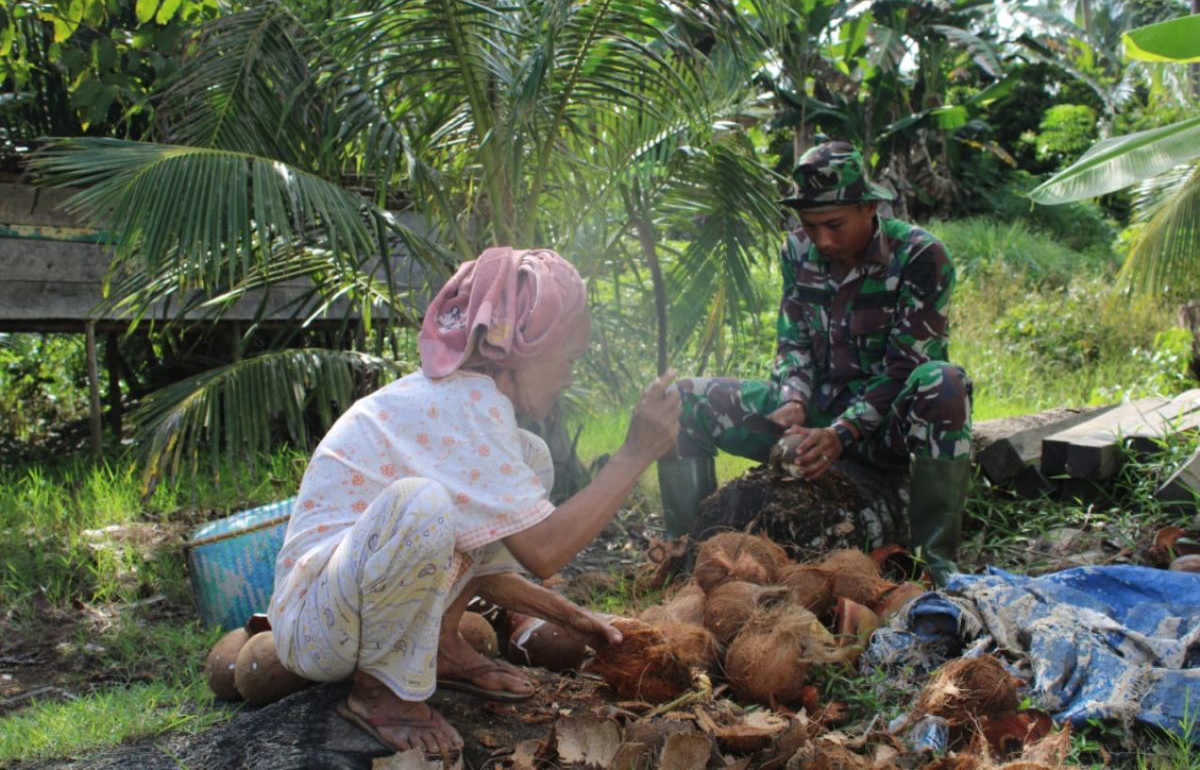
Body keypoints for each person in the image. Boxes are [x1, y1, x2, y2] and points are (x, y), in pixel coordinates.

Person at [267, 247, 681, 756]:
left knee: (529, 461)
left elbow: (463, 557)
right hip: (316, 628)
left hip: (349, 610)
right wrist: (635, 454)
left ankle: (439, 647)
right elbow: (543, 552)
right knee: (422, 506)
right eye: (569, 360)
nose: (570, 377)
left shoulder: (475, 408)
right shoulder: (462, 407)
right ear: (526, 348)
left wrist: (567, 616)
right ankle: (380, 694)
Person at [659, 140, 972, 583]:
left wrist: (842, 433)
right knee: (681, 399)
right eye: (810, 226)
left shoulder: (921, 256)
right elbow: (794, 342)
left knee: (944, 382)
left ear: (868, 208)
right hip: (817, 414)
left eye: (834, 225)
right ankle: (685, 556)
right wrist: (793, 399)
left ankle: (936, 565)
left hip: (885, 428)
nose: (822, 240)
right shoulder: (797, 251)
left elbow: (905, 367)